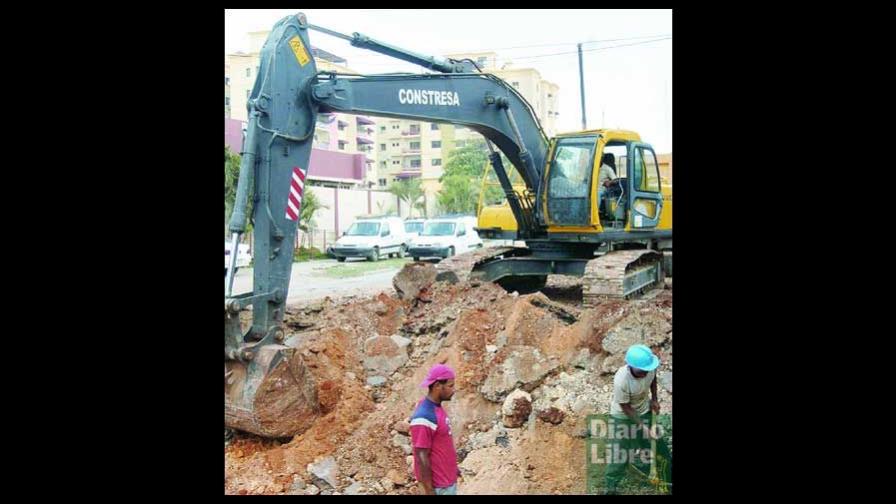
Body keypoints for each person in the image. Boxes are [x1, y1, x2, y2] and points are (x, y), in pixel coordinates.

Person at [603, 344, 672, 494]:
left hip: (643, 409)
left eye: (647, 369)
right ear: (631, 366)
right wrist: (643, 427)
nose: (645, 373)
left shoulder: (649, 367)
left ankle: (663, 473)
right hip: (622, 416)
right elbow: (625, 407)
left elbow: (653, 379)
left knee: (655, 443)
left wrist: (654, 399)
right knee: (621, 452)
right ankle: (611, 485)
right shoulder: (621, 380)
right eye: (642, 371)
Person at [409, 364, 461, 495]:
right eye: (450, 386)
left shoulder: (436, 408)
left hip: (446, 481)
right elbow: (421, 455)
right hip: (439, 487)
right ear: (437, 385)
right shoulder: (424, 415)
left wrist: (453, 468)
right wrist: (429, 490)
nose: (453, 390)